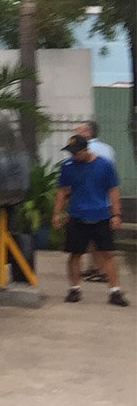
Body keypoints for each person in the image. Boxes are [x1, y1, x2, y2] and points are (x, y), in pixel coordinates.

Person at [52, 134, 128, 306]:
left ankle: (114, 291)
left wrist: (116, 214)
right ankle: (74, 289)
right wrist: (57, 213)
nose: (74, 156)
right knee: (75, 254)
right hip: (77, 216)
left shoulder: (104, 165)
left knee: (107, 254)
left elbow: (113, 191)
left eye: (77, 152)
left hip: (101, 216)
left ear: (86, 150)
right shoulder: (68, 166)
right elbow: (62, 191)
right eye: (71, 153)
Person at [73, 120, 118, 282]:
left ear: (87, 133)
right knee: (98, 239)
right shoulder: (108, 149)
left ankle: (101, 271)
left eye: (77, 130)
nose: (74, 134)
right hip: (106, 200)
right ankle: (94, 268)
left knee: (96, 240)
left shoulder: (85, 150)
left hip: (89, 201)